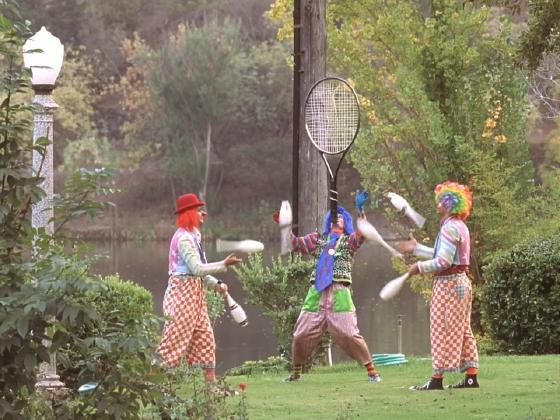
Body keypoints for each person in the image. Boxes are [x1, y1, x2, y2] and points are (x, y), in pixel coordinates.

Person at [282, 205, 381, 383]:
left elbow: (362, 234)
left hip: (339, 292)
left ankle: (372, 371)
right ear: (329, 222)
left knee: (349, 333)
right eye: (335, 216)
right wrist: (285, 227)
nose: (337, 218)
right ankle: (295, 373)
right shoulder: (317, 239)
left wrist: (361, 213)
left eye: (341, 217)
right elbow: (294, 244)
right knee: (301, 334)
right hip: (316, 293)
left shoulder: (349, 241)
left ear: (346, 223)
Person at [397, 181, 479, 390]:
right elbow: (442, 254)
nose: (437, 204)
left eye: (441, 201)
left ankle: (436, 380)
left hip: (449, 285)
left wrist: (418, 267)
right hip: (461, 283)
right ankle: (471, 378)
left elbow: (443, 262)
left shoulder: (450, 228)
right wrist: (416, 248)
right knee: (463, 329)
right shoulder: (458, 225)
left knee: (440, 329)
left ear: (450, 204)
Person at [156, 193, 241, 382]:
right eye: (198, 210)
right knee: (173, 343)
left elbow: (199, 270)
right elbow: (196, 269)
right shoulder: (183, 239)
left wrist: (215, 283)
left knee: (205, 340)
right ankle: (151, 386)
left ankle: (210, 388)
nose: (203, 213)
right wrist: (223, 264)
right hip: (182, 295)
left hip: (196, 295)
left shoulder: (195, 235)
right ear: (189, 213)